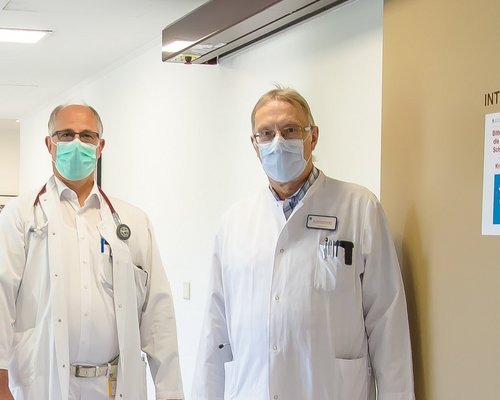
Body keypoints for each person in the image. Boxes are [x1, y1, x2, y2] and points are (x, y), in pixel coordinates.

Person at [192, 86, 415, 399]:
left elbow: (387, 322)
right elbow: (215, 329)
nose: (278, 142)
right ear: (254, 145)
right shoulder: (234, 222)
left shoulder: (359, 207)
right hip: (252, 389)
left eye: (290, 130)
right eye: (266, 134)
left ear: (313, 136)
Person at [0, 104, 183, 399]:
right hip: (44, 383)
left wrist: (170, 392)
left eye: (87, 136)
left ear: (100, 147)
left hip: (113, 385)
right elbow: (1, 301)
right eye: (65, 134)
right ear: (50, 144)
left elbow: (158, 315)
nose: (76, 143)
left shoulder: (132, 220)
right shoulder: (20, 215)